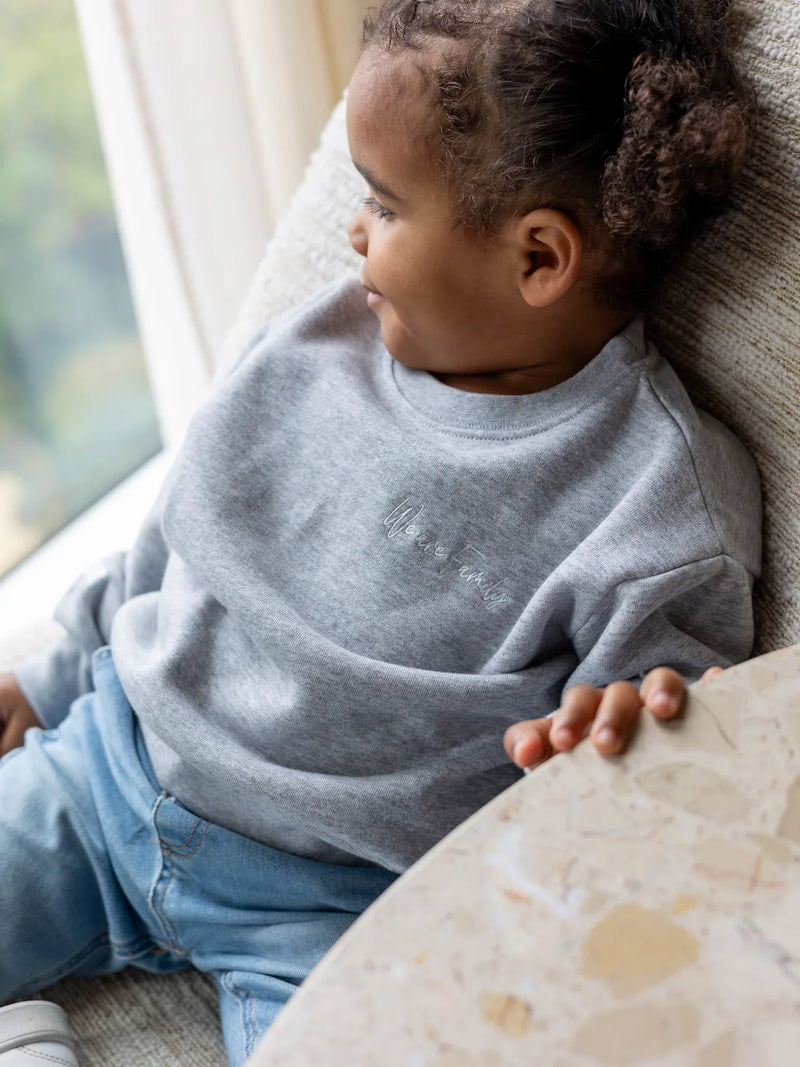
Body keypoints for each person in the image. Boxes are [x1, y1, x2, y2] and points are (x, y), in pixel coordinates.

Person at [0, 0, 760, 1063]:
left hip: (336, 914)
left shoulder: (657, 502)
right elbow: (177, 534)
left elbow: (659, 757)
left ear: (538, 257)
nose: (352, 231)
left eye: (383, 203)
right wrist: (48, 675)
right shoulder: (313, 342)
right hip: (108, 769)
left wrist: (622, 744)